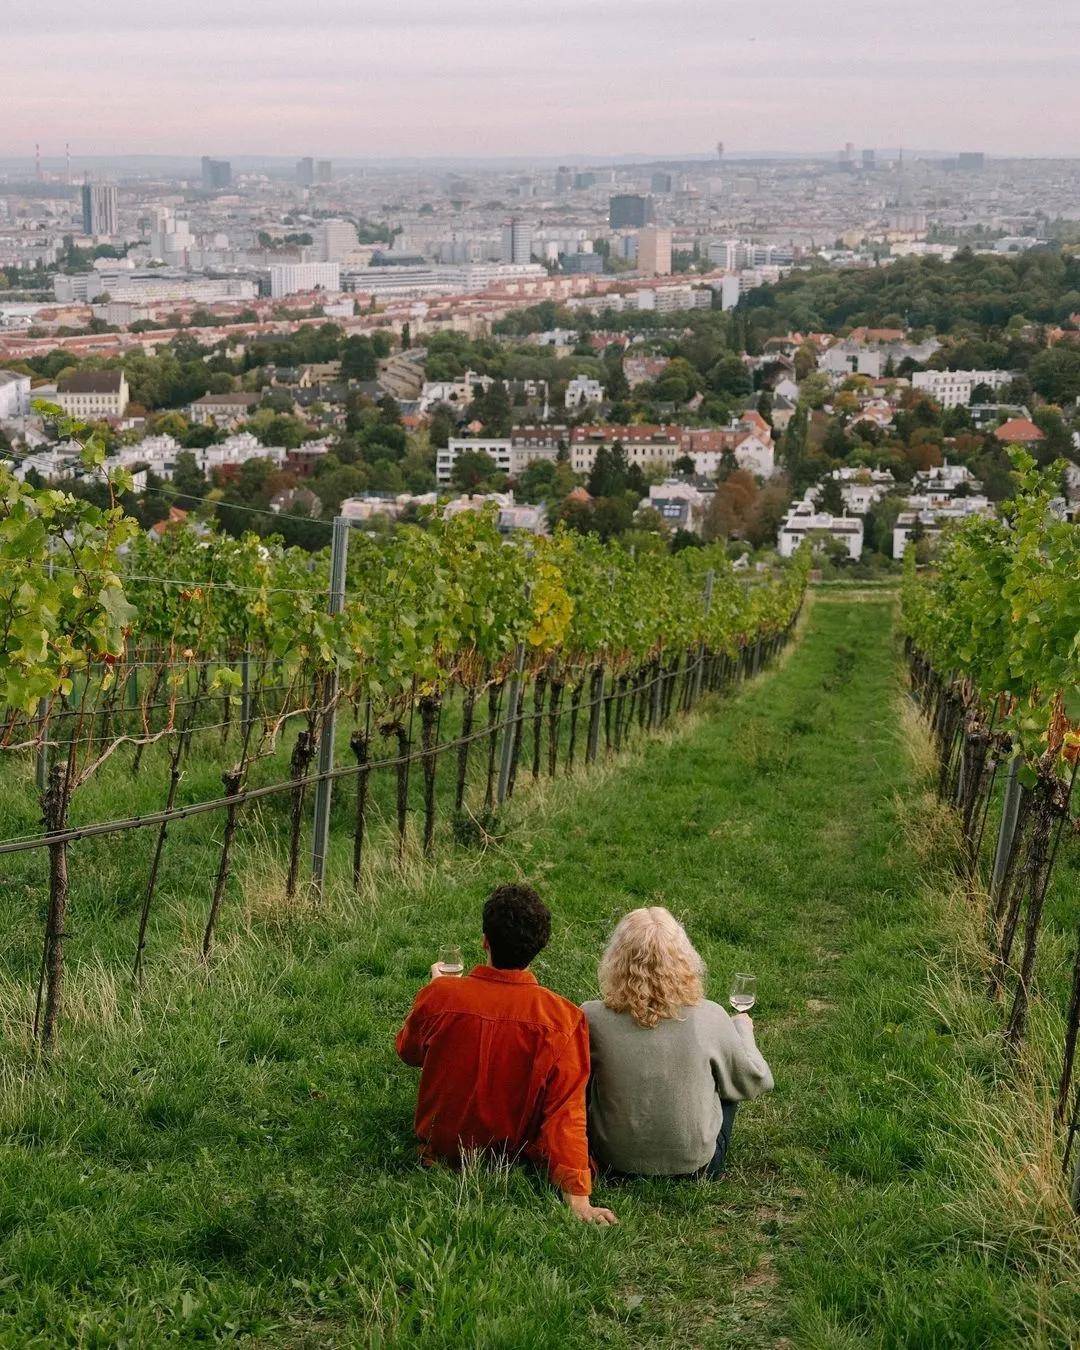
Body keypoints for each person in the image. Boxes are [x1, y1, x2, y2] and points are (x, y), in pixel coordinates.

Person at [395, 883, 617, 1225]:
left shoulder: (439, 996)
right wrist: (579, 1200)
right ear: (539, 947)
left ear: (485, 940)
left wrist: (436, 989)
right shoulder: (562, 1018)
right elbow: (565, 1111)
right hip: (513, 1154)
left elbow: (407, 1052)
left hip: (440, 1149)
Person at [582, 906, 773, 1179]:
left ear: (617, 959)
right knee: (729, 1080)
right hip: (697, 1167)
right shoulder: (710, 1015)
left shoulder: (591, 1016)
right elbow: (756, 1080)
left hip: (612, 1162)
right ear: (684, 958)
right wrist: (743, 1030)